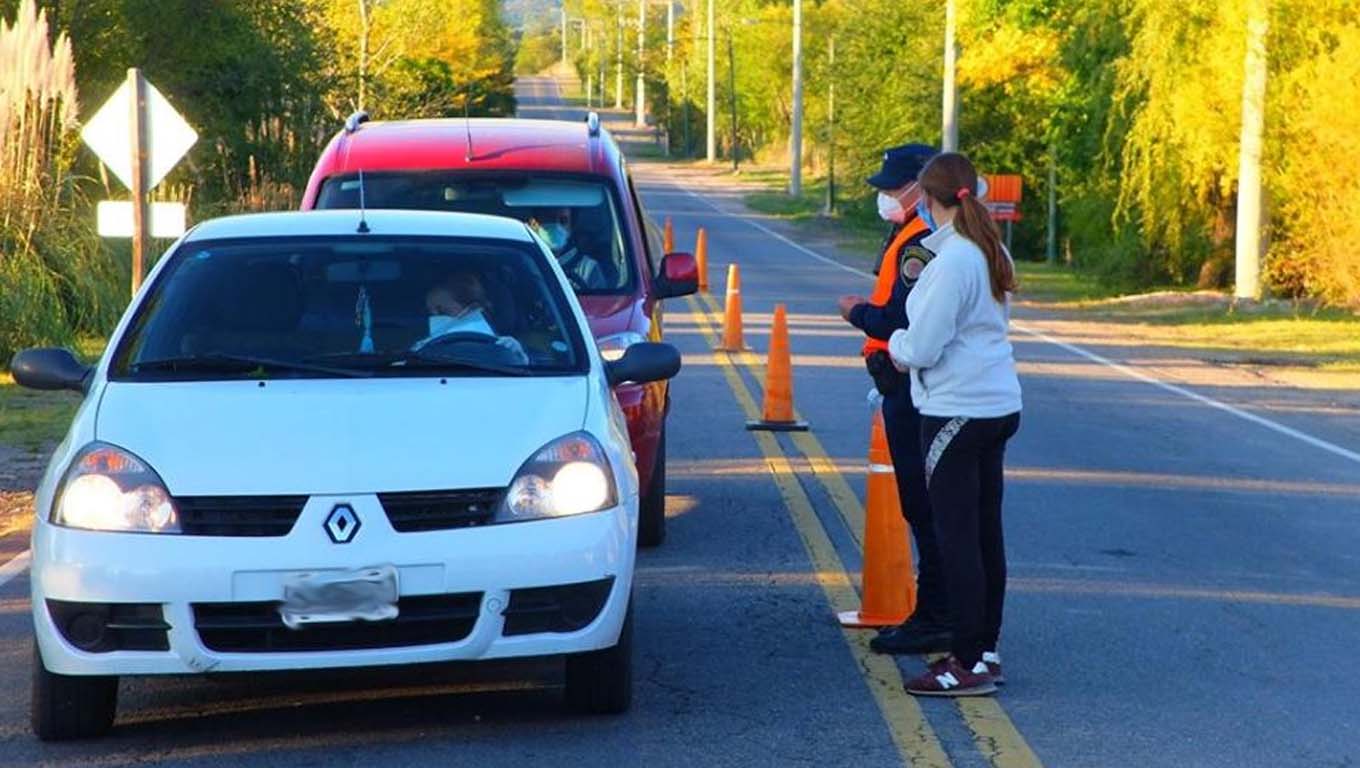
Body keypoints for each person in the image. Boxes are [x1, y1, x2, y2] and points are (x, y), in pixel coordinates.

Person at [888, 152, 1022, 697]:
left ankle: (964, 660)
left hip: (957, 408)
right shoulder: (989, 248)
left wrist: (893, 348)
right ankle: (985, 649)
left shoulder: (952, 262)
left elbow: (922, 344)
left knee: (958, 539)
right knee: (986, 533)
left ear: (927, 199)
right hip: (996, 404)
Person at [836, 143, 951, 656]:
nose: (884, 196)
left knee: (925, 507)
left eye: (891, 188)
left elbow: (902, 320)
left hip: (913, 386)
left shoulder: (920, 244)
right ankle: (937, 611)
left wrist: (858, 313)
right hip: (903, 383)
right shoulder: (911, 233)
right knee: (923, 505)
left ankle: (936, 615)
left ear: (919, 189)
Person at [414, 271, 528, 363]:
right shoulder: (422, 347)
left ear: (472, 308)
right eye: (430, 311)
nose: (434, 316)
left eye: (441, 310)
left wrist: (518, 356)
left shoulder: (505, 345)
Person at [528, 207, 606, 289]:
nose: (556, 225)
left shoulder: (588, 268)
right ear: (534, 225)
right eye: (549, 219)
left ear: (571, 228)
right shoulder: (525, 263)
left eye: (563, 221)